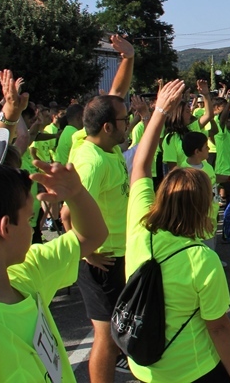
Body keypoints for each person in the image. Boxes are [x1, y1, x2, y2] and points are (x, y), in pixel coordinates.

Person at [124, 79, 230, 382]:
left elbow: (140, 166)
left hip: (143, 366)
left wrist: (159, 111)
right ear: (203, 207)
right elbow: (218, 328)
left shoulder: (140, 227)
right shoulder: (202, 260)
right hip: (192, 368)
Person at [0, 155, 108, 382]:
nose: (31, 229)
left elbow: (92, 236)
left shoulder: (24, 271)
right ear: (5, 227)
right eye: (29, 220)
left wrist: (77, 194)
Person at [67, 35, 135, 382]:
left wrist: (128, 58)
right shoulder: (91, 163)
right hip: (102, 261)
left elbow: (115, 98)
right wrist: (85, 254)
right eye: (125, 121)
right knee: (106, 339)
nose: (129, 123)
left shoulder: (93, 139)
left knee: (121, 331)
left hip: (120, 254)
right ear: (109, 127)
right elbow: (67, 214)